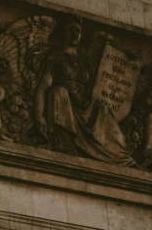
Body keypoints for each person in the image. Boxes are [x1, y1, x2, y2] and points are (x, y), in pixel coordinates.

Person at [33, 17, 136, 166]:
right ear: (62, 32)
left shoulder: (86, 62)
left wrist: (127, 58)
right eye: (71, 29)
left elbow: (105, 80)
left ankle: (121, 157)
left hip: (84, 105)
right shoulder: (55, 57)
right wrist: (38, 115)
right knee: (58, 91)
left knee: (103, 107)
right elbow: (42, 87)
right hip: (65, 104)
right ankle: (64, 143)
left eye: (78, 31)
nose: (75, 34)